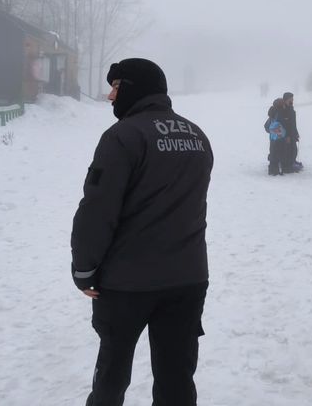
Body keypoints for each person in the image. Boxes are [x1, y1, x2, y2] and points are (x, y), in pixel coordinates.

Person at [70, 58, 214, 406]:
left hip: (127, 284)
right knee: (177, 378)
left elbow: (97, 211)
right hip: (187, 279)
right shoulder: (197, 136)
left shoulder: (122, 137)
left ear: (133, 89)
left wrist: (84, 270)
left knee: (112, 374)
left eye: (116, 86)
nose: (110, 96)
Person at [279, 92, 301, 172]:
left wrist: (296, 133)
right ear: (285, 100)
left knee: (294, 148)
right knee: (288, 149)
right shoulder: (283, 110)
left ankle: (292, 161)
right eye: (290, 99)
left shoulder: (290, 108)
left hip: (292, 132)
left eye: (292, 99)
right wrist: (287, 136)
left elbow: (293, 123)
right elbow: (284, 125)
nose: (292, 101)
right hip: (286, 134)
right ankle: (287, 165)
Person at [265, 98, 287, 175]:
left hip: (273, 137)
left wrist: (272, 132)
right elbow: (284, 125)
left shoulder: (272, 113)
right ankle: (275, 170)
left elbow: (266, 126)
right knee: (279, 153)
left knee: (273, 152)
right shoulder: (280, 113)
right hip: (280, 137)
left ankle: (272, 170)